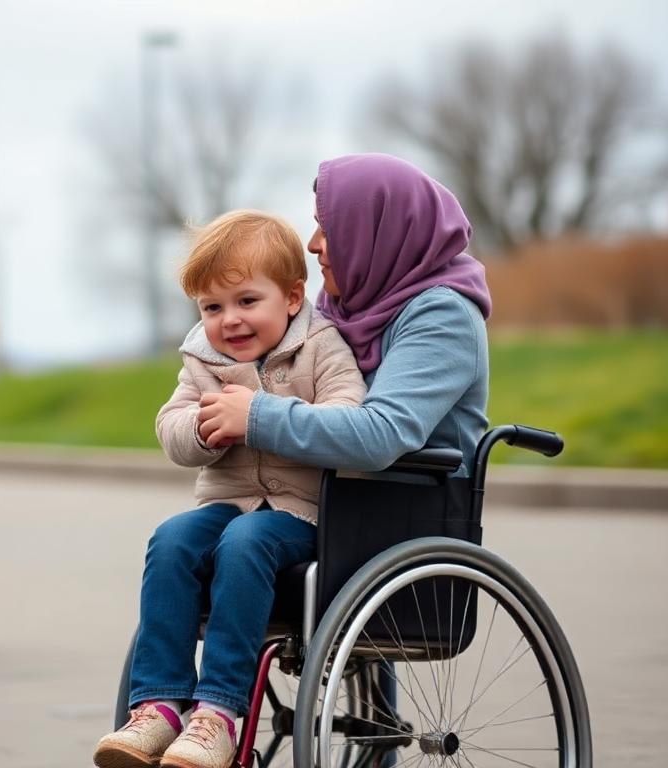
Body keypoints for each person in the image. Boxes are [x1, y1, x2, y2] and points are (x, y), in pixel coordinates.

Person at [195, 155, 492, 768]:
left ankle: (225, 713)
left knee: (257, 539)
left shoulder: (441, 314)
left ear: (379, 230)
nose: (313, 243)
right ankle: (176, 713)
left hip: (403, 512)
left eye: (328, 227)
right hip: (333, 504)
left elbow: (382, 433)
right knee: (190, 541)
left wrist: (255, 416)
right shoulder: (343, 309)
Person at [93, 210, 367, 768]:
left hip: (300, 513)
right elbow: (170, 428)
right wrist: (200, 429)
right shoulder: (203, 358)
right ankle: (159, 704)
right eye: (212, 308)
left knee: (247, 541)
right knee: (172, 539)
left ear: (292, 298)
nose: (230, 321)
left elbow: (349, 414)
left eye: (247, 301)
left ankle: (216, 713)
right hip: (226, 502)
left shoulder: (322, 346)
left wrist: (267, 416)